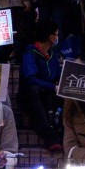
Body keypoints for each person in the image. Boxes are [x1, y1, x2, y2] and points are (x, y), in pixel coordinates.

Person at [19, 18, 64, 151]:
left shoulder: (53, 54)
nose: (57, 37)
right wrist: (52, 87)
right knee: (33, 90)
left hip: (49, 95)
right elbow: (31, 79)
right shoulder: (30, 53)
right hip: (31, 98)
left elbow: (56, 74)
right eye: (56, 34)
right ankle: (48, 133)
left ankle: (61, 130)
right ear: (51, 37)